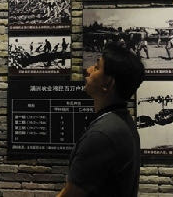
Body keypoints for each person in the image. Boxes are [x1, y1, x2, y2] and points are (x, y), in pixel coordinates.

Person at [58, 43, 144, 197]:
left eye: (97, 68)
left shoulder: (102, 134)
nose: (89, 70)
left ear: (108, 84)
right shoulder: (121, 122)